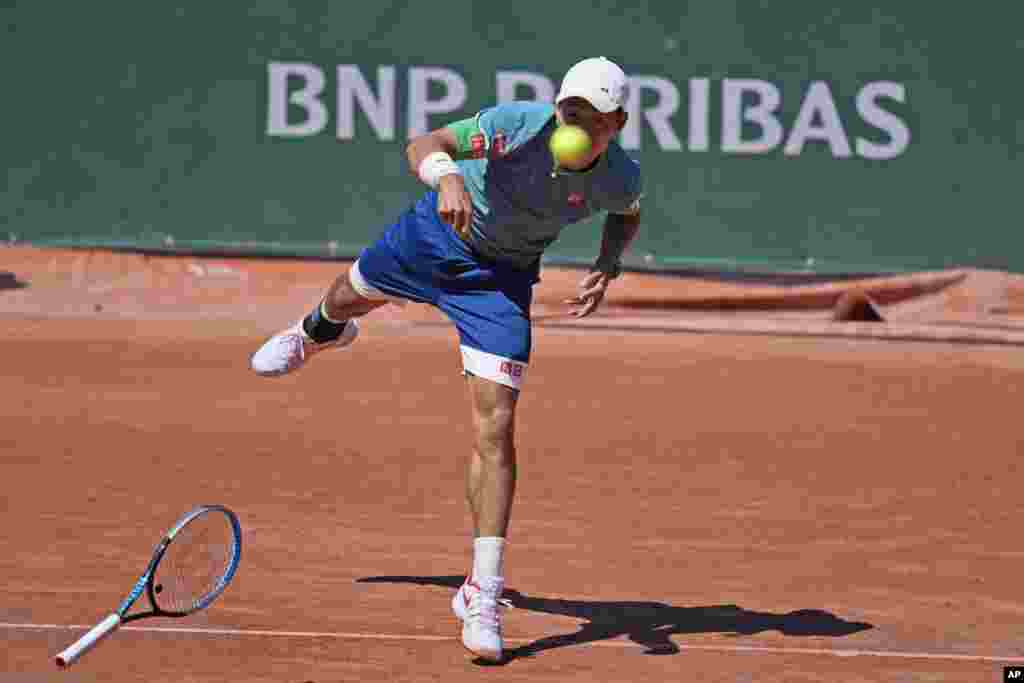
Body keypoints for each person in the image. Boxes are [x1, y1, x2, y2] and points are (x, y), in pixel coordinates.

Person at [250, 56, 643, 662]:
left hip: (500, 284)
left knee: (498, 424)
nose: (575, 124)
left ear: (616, 123)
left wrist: (608, 264)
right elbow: (425, 141)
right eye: (570, 111)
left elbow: (627, 210)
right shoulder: (519, 126)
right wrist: (448, 177)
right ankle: (317, 333)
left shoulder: (619, 175)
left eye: (591, 118)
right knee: (344, 298)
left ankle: (483, 590)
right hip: (435, 237)